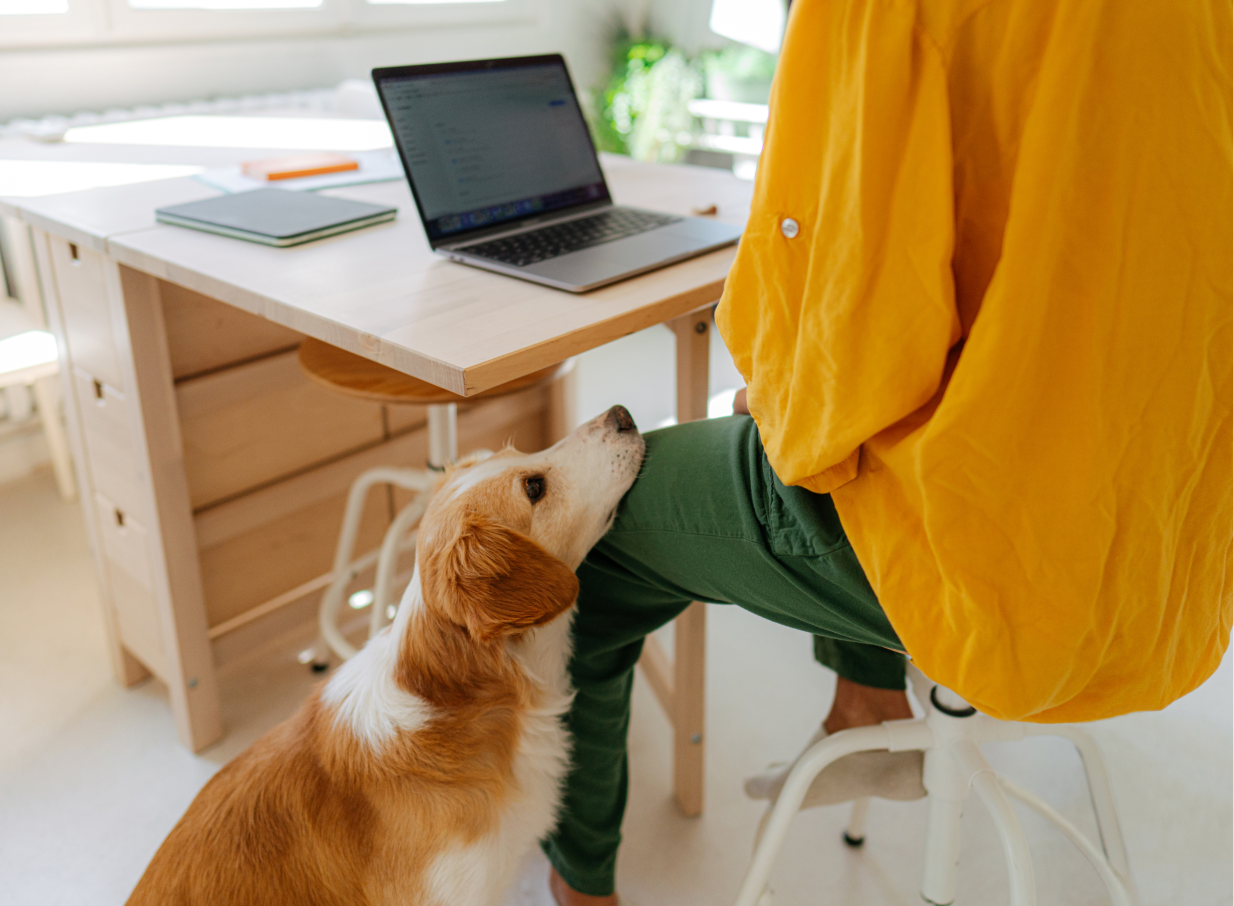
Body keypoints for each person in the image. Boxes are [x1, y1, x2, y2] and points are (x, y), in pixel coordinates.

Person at [547, 1, 1234, 903]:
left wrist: (781, 377)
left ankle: (577, 886)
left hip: (989, 551)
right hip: (1168, 535)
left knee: (583, 541)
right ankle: (864, 700)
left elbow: (847, 325)